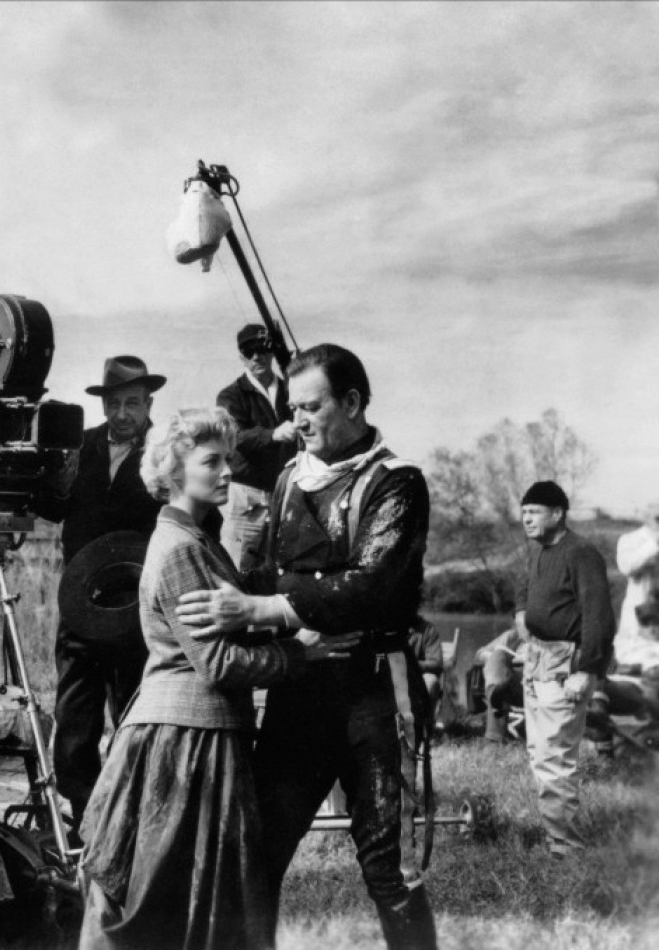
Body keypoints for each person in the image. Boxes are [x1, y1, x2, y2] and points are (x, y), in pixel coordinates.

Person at [176, 343, 436, 949]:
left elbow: (372, 584)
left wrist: (272, 605)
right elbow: (267, 572)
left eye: (311, 407)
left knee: (387, 868)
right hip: (301, 690)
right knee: (259, 851)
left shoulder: (397, 484)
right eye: (292, 409)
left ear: (351, 403)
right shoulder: (291, 475)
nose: (298, 422)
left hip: (374, 694)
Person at [78, 407, 359, 950]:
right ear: (174, 473)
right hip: (186, 741)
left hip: (196, 732)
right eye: (212, 461)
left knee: (188, 901)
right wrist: (299, 654)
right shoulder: (181, 548)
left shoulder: (197, 540)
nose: (228, 471)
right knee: (177, 901)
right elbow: (218, 664)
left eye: (228, 458)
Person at [33, 355, 166, 829]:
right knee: (74, 717)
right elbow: (52, 507)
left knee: (134, 708)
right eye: (115, 404)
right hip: (80, 602)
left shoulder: (165, 451)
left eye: (132, 403)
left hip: (138, 603)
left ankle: (133, 816)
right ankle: (84, 817)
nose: (123, 413)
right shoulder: (81, 446)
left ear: (149, 403)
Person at [515, 480, 615, 858]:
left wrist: (587, 670)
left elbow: (598, 617)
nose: (526, 519)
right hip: (537, 658)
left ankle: (566, 848)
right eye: (524, 512)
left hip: (565, 665)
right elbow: (525, 590)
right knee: (539, 753)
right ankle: (555, 838)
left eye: (534, 512)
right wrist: (522, 615)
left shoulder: (582, 553)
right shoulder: (541, 551)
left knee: (555, 757)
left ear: (558, 514)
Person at [215, 324, 296, 571]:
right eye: (248, 352)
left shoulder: (291, 391)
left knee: (281, 567)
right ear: (241, 356)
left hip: (284, 494)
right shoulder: (230, 395)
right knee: (237, 567)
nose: (256, 357)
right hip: (244, 496)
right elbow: (235, 436)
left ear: (272, 352)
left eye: (262, 350)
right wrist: (274, 434)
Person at [613, 504, 659, 672]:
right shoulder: (630, 539)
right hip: (640, 617)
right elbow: (627, 567)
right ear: (646, 517)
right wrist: (654, 544)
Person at [408, 615, 443, 720]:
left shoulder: (428, 629)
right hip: (390, 677)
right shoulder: (384, 627)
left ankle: (426, 727)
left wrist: (411, 664)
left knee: (431, 681)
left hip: (416, 677)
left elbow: (436, 663)